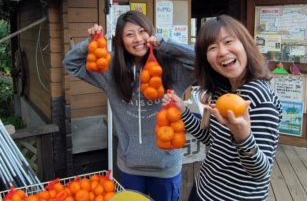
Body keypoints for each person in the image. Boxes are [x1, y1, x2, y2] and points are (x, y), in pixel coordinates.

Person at [63, 10, 195, 201]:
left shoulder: (173, 68)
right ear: (121, 40)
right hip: (130, 167)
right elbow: (71, 63)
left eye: (142, 32)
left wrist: (164, 44)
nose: (138, 39)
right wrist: (90, 42)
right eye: (129, 34)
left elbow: (202, 60)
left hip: (165, 167)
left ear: (150, 32)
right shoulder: (111, 70)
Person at [163, 14, 282, 201]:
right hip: (204, 188)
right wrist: (183, 112)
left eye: (228, 41)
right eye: (212, 47)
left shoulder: (257, 96)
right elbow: (212, 140)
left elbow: (261, 173)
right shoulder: (223, 91)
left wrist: (243, 137)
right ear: (206, 59)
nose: (222, 52)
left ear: (245, 44)